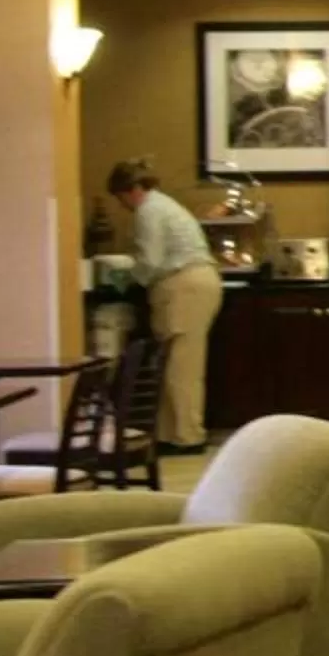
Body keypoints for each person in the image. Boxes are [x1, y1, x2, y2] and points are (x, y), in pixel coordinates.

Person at [109, 157, 223, 453]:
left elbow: (151, 261)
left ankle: (187, 437)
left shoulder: (149, 210)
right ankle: (171, 434)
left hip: (184, 286)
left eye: (121, 197)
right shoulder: (164, 205)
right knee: (177, 364)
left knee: (179, 368)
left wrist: (126, 278)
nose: (123, 205)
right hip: (196, 284)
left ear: (131, 189)